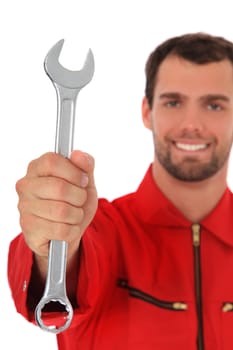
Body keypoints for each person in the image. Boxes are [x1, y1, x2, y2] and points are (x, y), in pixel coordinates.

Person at [8, 32, 233, 350]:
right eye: (173, 102)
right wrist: (52, 249)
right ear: (147, 112)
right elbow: (71, 277)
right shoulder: (99, 231)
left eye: (214, 104)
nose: (192, 123)